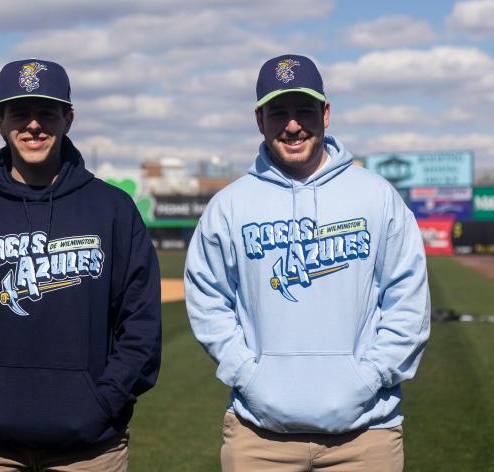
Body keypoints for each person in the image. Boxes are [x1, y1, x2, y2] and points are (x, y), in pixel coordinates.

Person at [0, 59, 162, 472]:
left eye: (46, 112)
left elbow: (141, 322)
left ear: (68, 118)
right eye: (19, 113)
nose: (33, 125)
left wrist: (105, 398)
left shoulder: (112, 209)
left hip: (90, 449)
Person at [184, 54, 430, 471]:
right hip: (258, 437)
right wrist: (249, 376)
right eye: (279, 112)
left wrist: (369, 377)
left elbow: (407, 300)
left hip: (366, 436)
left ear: (326, 114)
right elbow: (208, 300)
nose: (293, 124)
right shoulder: (230, 205)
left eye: (305, 110)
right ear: (260, 119)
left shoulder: (376, 196)